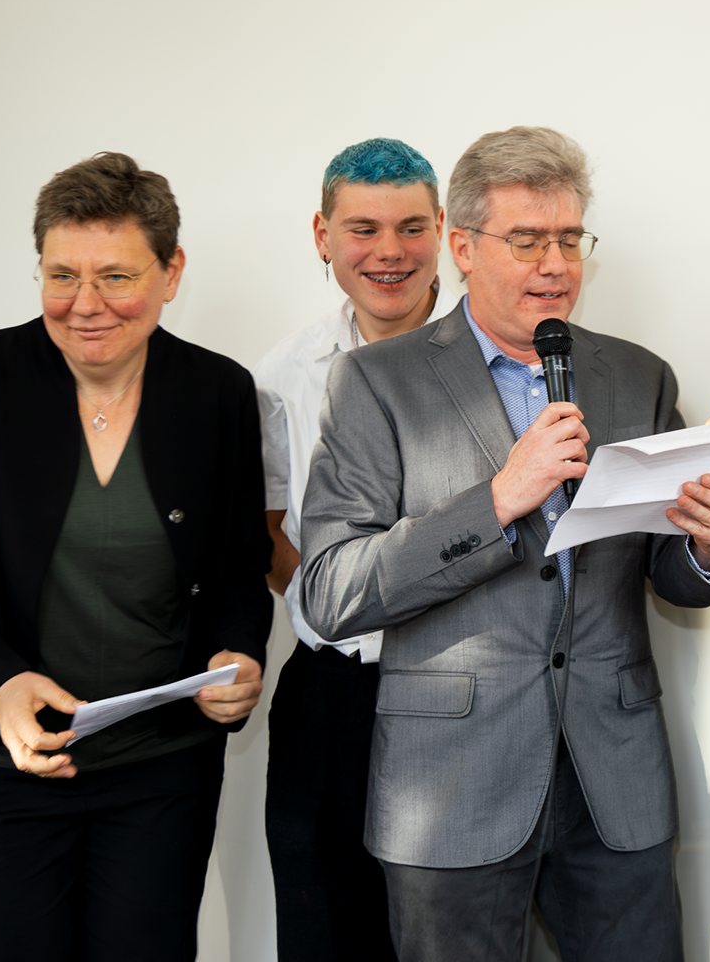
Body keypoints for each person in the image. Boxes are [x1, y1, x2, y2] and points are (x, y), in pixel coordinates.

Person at [300, 125, 710, 962]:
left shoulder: (639, 376)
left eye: (570, 240)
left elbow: (671, 575)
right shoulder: (375, 382)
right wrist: (500, 500)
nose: (555, 264)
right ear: (463, 247)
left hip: (614, 780)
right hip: (450, 787)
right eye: (528, 240)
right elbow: (330, 591)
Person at [0, 152, 272, 962]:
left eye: (116, 277)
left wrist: (238, 653)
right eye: (62, 275)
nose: (85, 304)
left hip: (160, 769)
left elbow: (239, 566)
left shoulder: (219, 392)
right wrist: (0, 685)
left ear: (172, 273)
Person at [256, 137, 458, 962]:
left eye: (411, 227)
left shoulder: (496, 353)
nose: (389, 252)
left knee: (452, 936)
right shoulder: (282, 374)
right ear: (322, 235)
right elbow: (269, 528)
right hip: (330, 692)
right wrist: (337, 599)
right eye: (363, 229)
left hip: (463, 689)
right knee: (324, 932)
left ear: (443, 228)